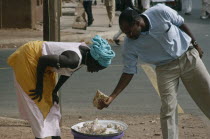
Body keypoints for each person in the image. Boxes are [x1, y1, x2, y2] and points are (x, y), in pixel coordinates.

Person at [98, 4, 210, 139]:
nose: (128, 35)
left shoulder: (160, 11)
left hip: (188, 57)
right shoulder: (129, 44)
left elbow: (180, 23)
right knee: (168, 109)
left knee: (207, 95)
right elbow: (128, 71)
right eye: (125, 32)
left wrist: (196, 44)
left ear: (138, 22)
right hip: (165, 69)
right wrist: (112, 96)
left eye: (129, 31)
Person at [7, 35, 115, 139]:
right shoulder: (74, 59)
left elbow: (67, 73)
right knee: (37, 105)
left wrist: (54, 91)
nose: (96, 71)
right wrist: (39, 87)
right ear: (94, 60)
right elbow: (43, 60)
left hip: (46, 65)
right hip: (30, 57)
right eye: (98, 68)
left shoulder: (86, 54)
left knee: (52, 105)